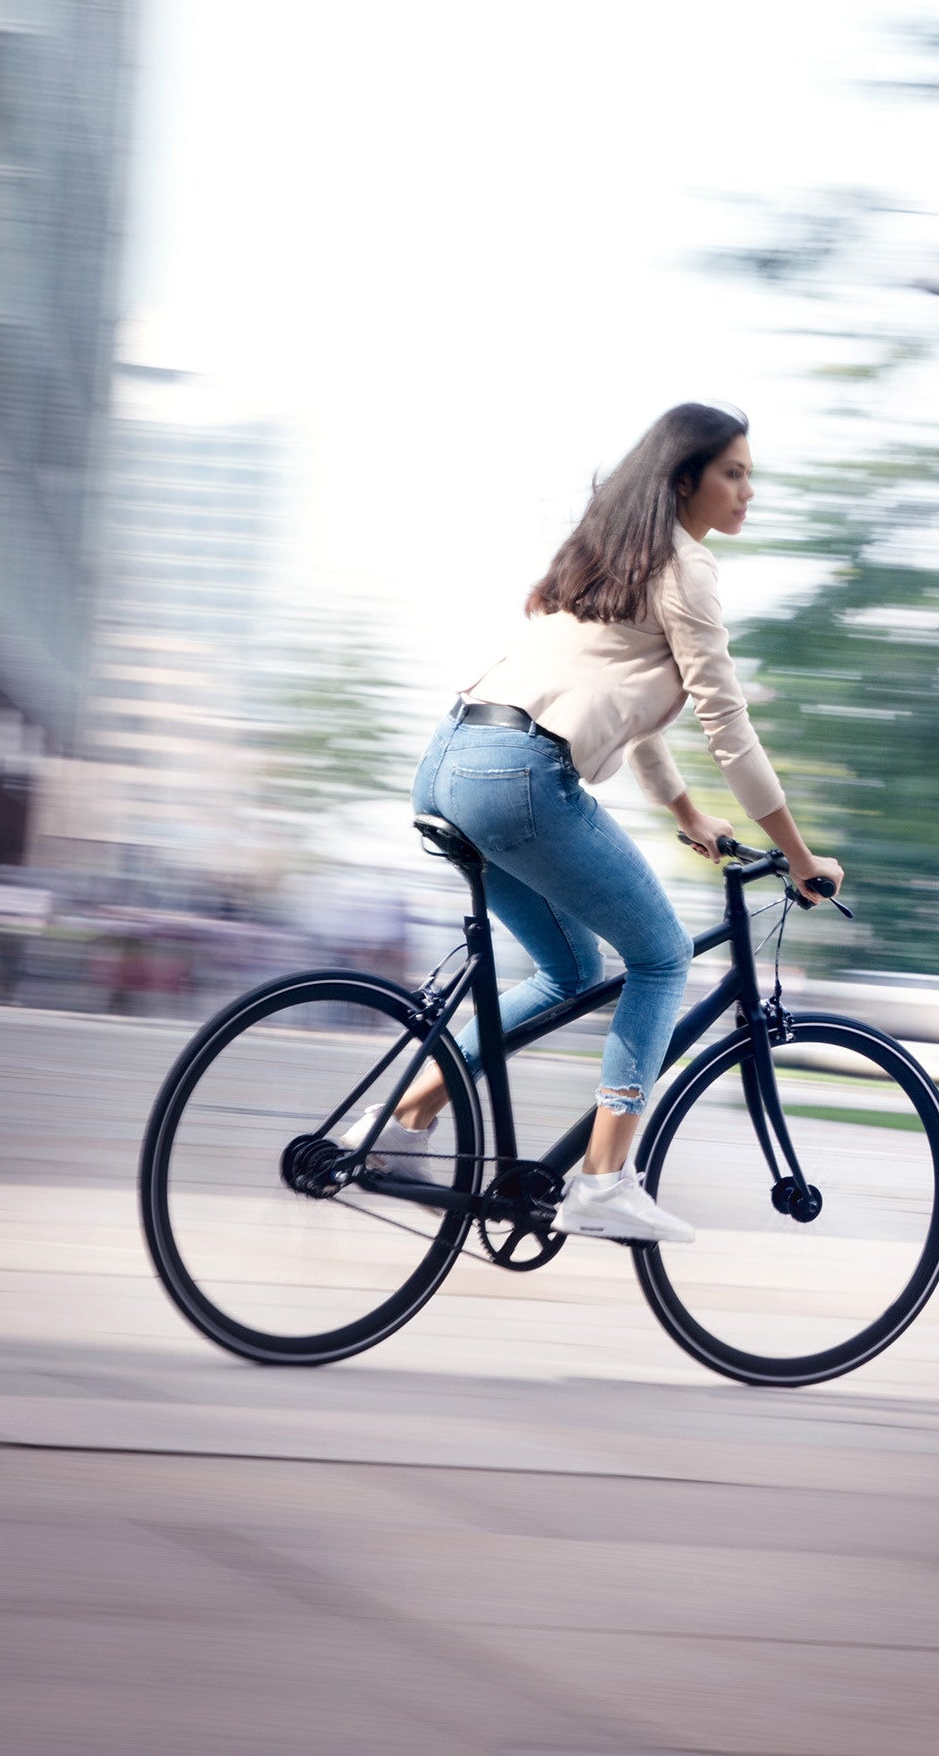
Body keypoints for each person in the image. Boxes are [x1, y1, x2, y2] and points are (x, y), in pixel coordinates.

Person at [349, 403, 844, 1245]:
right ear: (685, 477)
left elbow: (627, 710)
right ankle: (603, 1181)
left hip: (452, 760)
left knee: (575, 968)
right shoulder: (686, 569)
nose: (749, 491)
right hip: (521, 779)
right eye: (734, 472)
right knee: (659, 958)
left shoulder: (606, 557)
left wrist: (686, 813)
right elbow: (727, 724)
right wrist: (798, 854)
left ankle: (398, 1121)